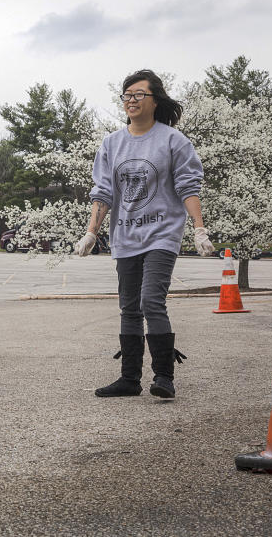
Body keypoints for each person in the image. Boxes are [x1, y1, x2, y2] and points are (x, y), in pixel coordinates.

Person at [73, 69, 215, 400]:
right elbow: (103, 191)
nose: (131, 100)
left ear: (155, 100)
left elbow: (187, 185)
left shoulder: (173, 141)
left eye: (139, 94)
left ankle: (164, 376)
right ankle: (129, 379)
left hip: (162, 234)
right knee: (129, 307)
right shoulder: (111, 143)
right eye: (127, 95)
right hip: (125, 234)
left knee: (151, 300)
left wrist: (199, 228)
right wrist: (91, 232)